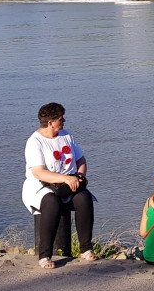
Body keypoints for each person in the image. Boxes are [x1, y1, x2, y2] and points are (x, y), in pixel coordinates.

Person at [20, 102, 95, 269]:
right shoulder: (35, 142)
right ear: (50, 122)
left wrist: (79, 176)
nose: (64, 121)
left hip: (68, 183)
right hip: (42, 186)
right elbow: (38, 172)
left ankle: (86, 248)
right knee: (52, 202)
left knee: (84, 198)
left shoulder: (66, 136)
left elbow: (81, 160)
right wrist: (65, 178)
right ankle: (44, 255)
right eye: (61, 119)